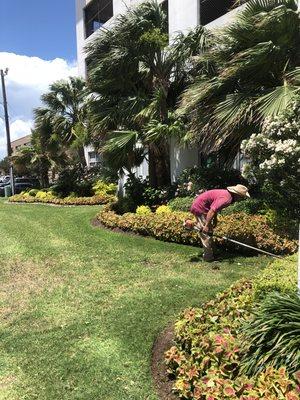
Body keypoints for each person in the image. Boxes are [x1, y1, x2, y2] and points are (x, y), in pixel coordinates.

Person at [185, 185, 250, 262]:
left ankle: (214, 252)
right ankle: (208, 258)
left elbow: (214, 207)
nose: (241, 199)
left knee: (209, 232)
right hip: (201, 208)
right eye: (242, 197)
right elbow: (212, 210)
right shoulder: (226, 199)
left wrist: (215, 219)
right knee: (206, 234)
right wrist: (206, 225)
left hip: (201, 206)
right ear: (237, 194)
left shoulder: (227, 195)